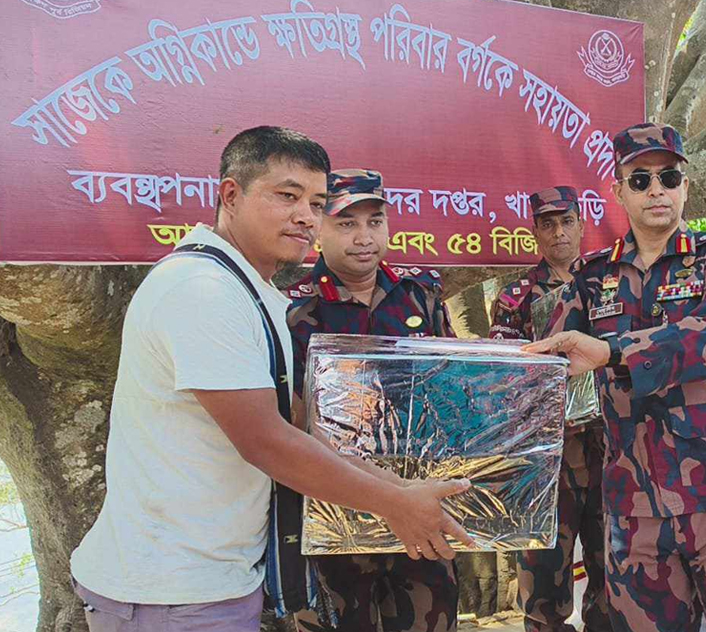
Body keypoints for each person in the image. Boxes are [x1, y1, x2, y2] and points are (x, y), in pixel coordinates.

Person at [69, 127, 470, 632]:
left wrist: (407, 493)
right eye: (287, 195)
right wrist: (397, 503)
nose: (304, 214)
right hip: (169, 592)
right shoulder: (201, 289)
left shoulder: (250, 294)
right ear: (231, 195)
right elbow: (268, 442)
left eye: (316, 201)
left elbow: (304, 431)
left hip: (214, 582)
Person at [526, 123, 706, 632]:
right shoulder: (590, 278)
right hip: (635, 510)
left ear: (685, 187)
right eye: (641, 179)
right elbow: (543, 361)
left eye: (669, 178)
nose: (657, 191)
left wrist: (612, 351)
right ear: (618, 190)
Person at [286, 169, 460, 632]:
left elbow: (451, 386)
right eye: (347, 223)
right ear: (319, 225)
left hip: (420, 504)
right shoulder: (296, 308)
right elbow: (291, 423)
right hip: (336, 508)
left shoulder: (420, 293)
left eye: (375, 221)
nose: (365, 237)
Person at [488, 186, 611, 632]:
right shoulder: (516, 296)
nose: (558, 232)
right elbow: (505, 378)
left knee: (614, 581)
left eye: (566, 221)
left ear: (581, 224)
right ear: (535, 232)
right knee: (544, 591)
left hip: (610, 454)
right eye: (547, 224)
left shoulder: (607, 282)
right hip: (548, 464)